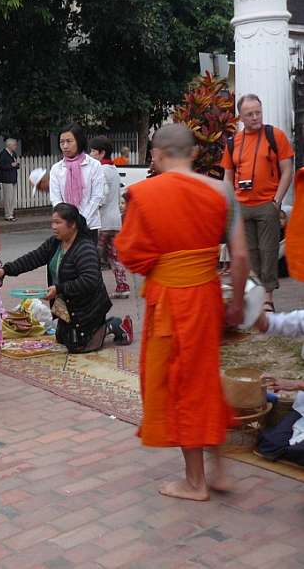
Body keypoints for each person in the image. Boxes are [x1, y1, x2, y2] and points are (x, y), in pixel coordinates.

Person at [115, 123, 249, 502]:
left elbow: (132, 255)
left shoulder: (144, 194)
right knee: (204, 378)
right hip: (206, 296)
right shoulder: (222, 191)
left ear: (156, 156)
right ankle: (220, 470)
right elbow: (239, 256)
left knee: (178, 384)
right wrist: (236, 304)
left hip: (171, 303)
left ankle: (195, 483)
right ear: (193, 153)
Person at [0, 203, 131, 353]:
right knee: (62, 338)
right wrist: (5, 270)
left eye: (58, 222)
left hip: (88, 308)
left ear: (72, 225)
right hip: (66, 307)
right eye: (53, 222)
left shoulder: (85, 248)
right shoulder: (55, 243)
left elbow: (90, 280)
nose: (54, 226)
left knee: (78, 347)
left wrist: (59, 288)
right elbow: (33, 258)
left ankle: (114, 325)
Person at [221, 94, 294, 313]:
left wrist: (277, 200)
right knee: (249, 253)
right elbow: (227, 174)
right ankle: (256, 297)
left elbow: (287, 169)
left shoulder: (275, 136)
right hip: (242, 205)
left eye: (258, 112)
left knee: (269, 251)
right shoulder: (234, 142)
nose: (255, 117)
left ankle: (268, 299)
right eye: (250, 114)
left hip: (267, 204)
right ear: (241, 117)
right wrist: (230, 200)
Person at [89, 136, 130, 299]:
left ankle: (93, 291)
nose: (90, 154)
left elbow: (102, 196)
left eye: (93, 151)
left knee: (92, 257)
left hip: (102, 222)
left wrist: (91, 207)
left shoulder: (100, 170)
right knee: (114, 256)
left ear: (101, 153)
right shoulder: (113, 169)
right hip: (115, 221)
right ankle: (123, 286)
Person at [49, 123, 104, 244]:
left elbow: (96, 197)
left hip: (89, 227)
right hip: (66, 228)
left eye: (69, 141)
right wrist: (68, 221)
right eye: (62, 142)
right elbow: (56, 199)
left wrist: (80, 221)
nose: (65, 146)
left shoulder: (94, 166)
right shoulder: (56, 169)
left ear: (79, 141)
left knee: (87, 261)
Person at [0, 138, 20, 221]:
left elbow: (15, 164)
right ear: (9, 145)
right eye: (14, 145)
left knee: (12, 198)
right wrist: (11, 165)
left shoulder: (13, 153)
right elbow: (1, 165)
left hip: (13, 177)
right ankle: (8, 215)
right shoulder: (3, 153)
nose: (16, 146)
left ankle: (11, 214)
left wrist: (16, 165)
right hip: (6, 178)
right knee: (8, 198)